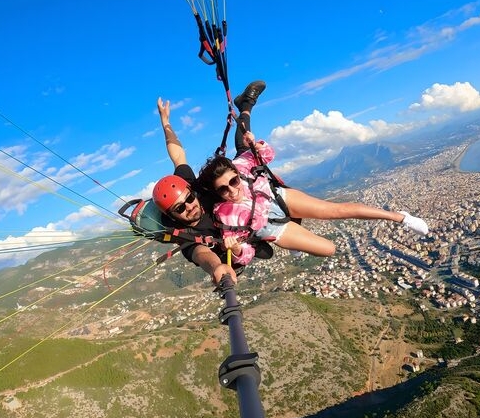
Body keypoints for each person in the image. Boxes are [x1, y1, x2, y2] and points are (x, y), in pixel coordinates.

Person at [196, 83, 430, 266]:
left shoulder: (242, 165)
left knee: (335, 210)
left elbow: (267, 155)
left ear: (237, 174)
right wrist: (236, 250)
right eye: (223, 189)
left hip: (276, 198)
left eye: (233, 181)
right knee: (329, 249)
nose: (232, 190)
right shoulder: (225, 215)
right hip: (270, 227)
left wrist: (257, 146)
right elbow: (244, 254)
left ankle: (401, 217)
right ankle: (244, 104)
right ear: (217, 193)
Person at [151, 81, 269, 285]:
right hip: (241, 243)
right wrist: (217, 268)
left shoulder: (188, 187)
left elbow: (178, 156)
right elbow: (201, 253)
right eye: (180, 208)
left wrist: (166, 123)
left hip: (241, 205)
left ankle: (246, 106)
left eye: (189, 198)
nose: (189, 206)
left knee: (244, 154)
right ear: (172, 215)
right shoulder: (184, 235)